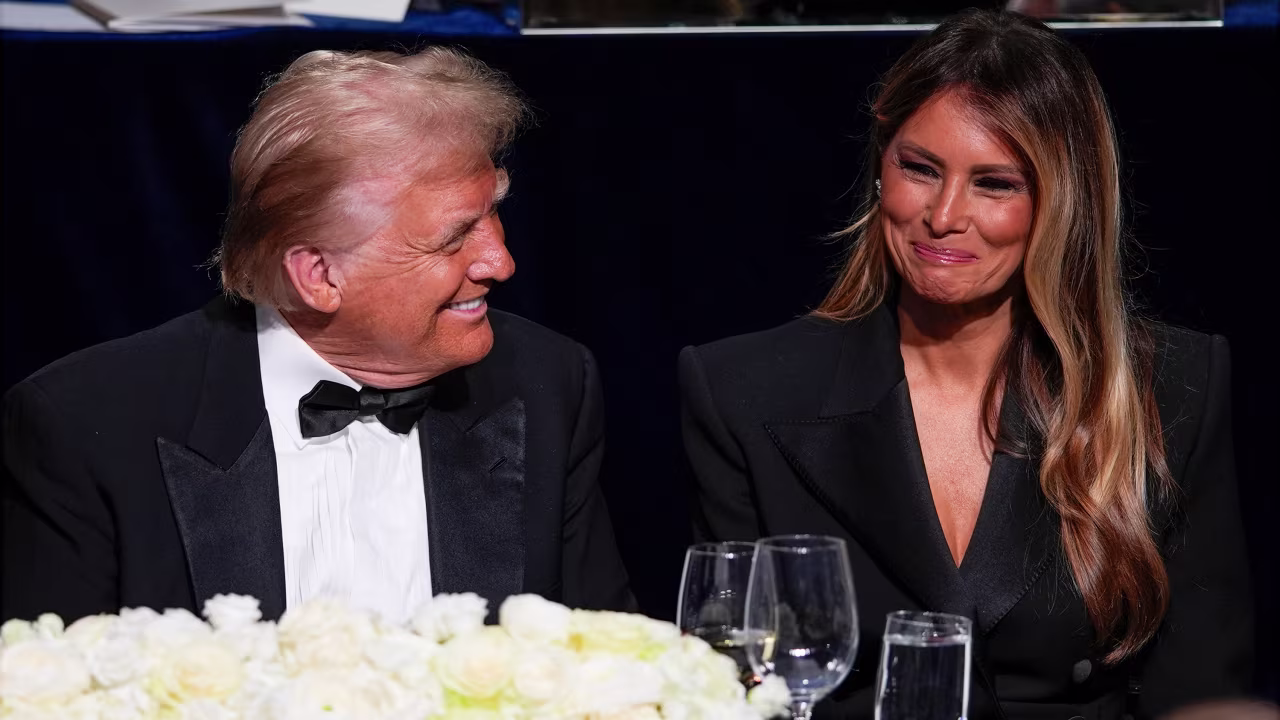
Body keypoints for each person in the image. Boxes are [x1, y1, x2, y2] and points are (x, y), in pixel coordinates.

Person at [679, 10, 1252, 719]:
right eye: (919, 169)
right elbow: (724, 682)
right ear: (881, 166)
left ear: (1063, 202)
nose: (944, 215)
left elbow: (1199, 690)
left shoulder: (1169, 385)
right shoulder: (744, 390)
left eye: (995, 184)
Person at [2, 47, 633, 624]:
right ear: (319, 275)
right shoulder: (89, 424)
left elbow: (608, 665)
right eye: (454, 236)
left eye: (493, 214)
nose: (500, 262)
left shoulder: (547, 383)